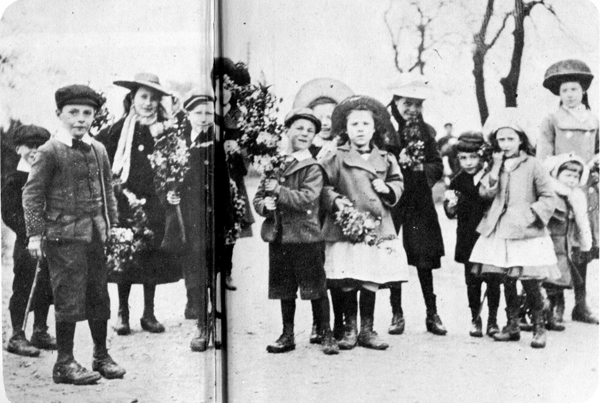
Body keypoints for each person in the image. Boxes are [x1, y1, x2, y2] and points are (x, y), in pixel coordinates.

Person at [23, 85, 125, 384]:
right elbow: (31, 195)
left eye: (87, 113)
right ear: (59, 114)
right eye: (73, 113)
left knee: (98, 294)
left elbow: (108, 191)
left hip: (94, 234)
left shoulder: (99, 149)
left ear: (94, 115)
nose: (80, 119)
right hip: (62, 236)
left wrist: (112, 226)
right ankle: (64, 363)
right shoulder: (49, 151)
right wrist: (34, 235)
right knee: (67, 296)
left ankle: (101, 355)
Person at [96, 73, 181, 334]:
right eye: (144, 97)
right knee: (125, 256)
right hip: (124, 203)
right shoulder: (115, 132)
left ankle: (149, 312)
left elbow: (177, 166)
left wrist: (173, 190)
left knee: (152, 256)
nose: (148, 103)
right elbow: (100, 162)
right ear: (132, 98)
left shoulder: (166, 132)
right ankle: (122, 312)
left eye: (154, 99)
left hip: (155, 203)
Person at [321, 96, 406, 351]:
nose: (360, 129)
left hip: (376, 227)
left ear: (374, 128)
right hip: (347, 227)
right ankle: (350, 329)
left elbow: (399, 183)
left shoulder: (387, 158)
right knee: (348, 277)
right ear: (345, 129)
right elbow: (323, 185)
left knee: (370, 275)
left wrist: (388, 188)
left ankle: (368, 329)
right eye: (354, 124)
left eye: (365, 124)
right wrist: (335, 200)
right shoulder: (336, 156)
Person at [470, 107, 557, 349]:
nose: (506, 144)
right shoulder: (496, 165)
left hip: (526, 232)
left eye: (511, 139)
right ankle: (512, 326)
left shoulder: (533, 165)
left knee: (529, 280)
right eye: (501, 139)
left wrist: (532, 214)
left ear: (521, 140)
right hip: (499, 229)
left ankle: (539, 327)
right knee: (506, 278)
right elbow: (485, 194)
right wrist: (495, 169)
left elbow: (548, 197)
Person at [253, 108, 338, 355]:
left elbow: (308, 198)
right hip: (279, 235)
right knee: (284, 288)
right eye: (299, 128)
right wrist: (264, 206)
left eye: (310, 131)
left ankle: (327, 333)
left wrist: (279, 191)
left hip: (305, 236)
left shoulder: (312, 166)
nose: (304, 134)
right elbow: (259, 197)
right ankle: (287, 334)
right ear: (286, 130)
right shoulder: (274, 163)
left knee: (316, 287)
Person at [166, 88, 235, 352]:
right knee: (194, 273)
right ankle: (201, 324)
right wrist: (169, 195)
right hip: (187, 220)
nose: (204, 117)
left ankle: (215, 324)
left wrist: (228, 220)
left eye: (208, 112)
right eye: (198, 112)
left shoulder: (215, 145)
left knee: (212, 273)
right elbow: (164, 177)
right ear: (188, 114)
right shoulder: (176, 143)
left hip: (212, 218)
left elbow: (224, 184)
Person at [291, 77, 354, 342]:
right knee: (317, 272)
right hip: (312, 218)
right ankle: (320, 322)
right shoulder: (306, 150)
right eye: (321, 117)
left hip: (338, 215)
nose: (326, 122)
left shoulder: (344, 147)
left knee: (340, 270)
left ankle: (343, 323)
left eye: (331, 116)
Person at [537, 59, 599, 324]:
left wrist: (595, 166)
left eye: (574, 89)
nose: (570, 95)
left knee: (582, 246)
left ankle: (581, 304)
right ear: (558, 94)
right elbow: (543, 157)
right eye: (564, 90)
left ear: (583, 90)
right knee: (559, 245)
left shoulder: (594, 119)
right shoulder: (551, 120)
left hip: (586, 190)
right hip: (559, 189)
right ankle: (557, 301)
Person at [387, 75, 447, 336]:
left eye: (417, 104)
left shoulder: (428, 131)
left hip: (419, 199)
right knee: (392, 254)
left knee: (424, 257)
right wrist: (395, 163)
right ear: (396, 102)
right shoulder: (385, 130)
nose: (412, 110)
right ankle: (396, 313)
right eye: (407, 104)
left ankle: (431, 313)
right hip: (393, 199)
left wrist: (422, 168)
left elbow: (437, 163)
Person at [2, 125, 55, 357]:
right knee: (24, 284)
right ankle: (16, 334)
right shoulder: (15, 177)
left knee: (45, 285)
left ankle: (40, 330)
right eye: (29, 146)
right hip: (27, 243)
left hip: (49, 240)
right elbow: (9, 212)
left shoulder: (49, 173)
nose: (34, 151)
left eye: (39, 146)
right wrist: (29, 233)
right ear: (17, 148)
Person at [443, 132, 500, 337]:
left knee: (493, 279)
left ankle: (492, 321)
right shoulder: (457, 181)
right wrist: (451, 205)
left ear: (483, 156)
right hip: (468, 236)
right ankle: (475, 318)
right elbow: (450, 212)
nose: (468, 162)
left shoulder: (491, 178)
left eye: (473, 157)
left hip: (488, 234)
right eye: (463, 158)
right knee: (472, 280)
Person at [212, 57, 256, 292]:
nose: (224, 92)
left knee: (233, 222)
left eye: (228, 87)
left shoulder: (240, 115)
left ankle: (227, 270)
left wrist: (239, 151)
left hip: (233, 175)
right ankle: (210, 273)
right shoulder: (208, 112)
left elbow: (249, 146)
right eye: (219, 87)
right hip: (213, 174)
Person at [543, 153, 593, 331]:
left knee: (559, 278)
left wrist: (586, 243)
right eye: (568, 175)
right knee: (544, 277)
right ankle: (539, 312)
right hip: (548, 240)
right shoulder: (550, 191)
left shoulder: (577, 196)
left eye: (575, 176)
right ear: (557, 175)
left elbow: (582, 220)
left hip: (565, 242)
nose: (572, 180)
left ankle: (554, 313)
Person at [292, 78, 354, 161]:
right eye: (319, 118)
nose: (324, 123)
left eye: (330, 118)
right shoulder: (303, 151)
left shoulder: (346, 148)